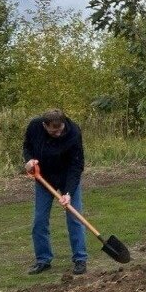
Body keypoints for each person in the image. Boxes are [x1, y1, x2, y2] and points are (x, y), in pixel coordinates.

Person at [22, 108, 88, 275]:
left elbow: (77, 165)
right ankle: (43, 260)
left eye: (60, 129)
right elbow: (27, 146)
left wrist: (69, 193)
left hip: (68, 178)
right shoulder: (34, 127)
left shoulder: (73, 132)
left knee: (75, 218)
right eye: (54, 130)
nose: (58, 133)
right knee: (39, 220)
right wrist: (29, 161)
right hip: (44, 178)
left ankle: (80, 259)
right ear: (45, 125)